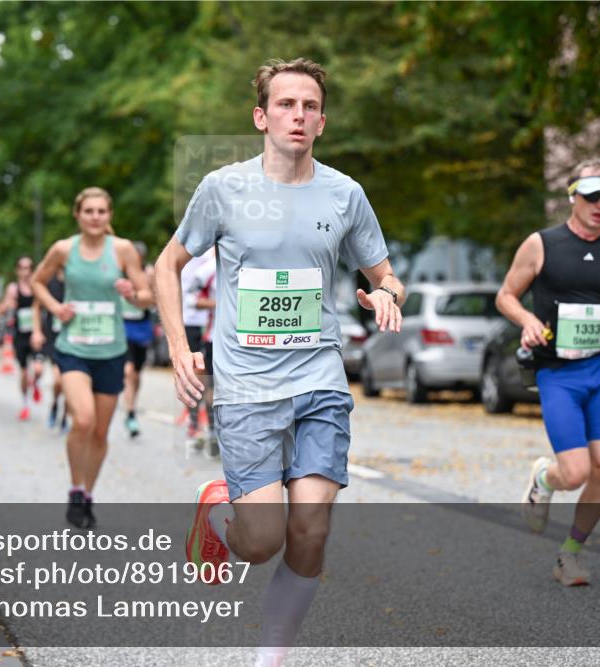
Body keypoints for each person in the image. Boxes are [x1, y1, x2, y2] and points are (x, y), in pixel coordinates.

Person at [155, 57, 403, 666]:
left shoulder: (346, 195)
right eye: (286, 105)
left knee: (311, 532)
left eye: (310, 106)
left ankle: (271, 659)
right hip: (245, 385)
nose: (299, 115)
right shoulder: (223, 189)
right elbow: (167, 266)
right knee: (262, 542)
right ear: (262, 117)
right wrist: (178, 348)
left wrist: (389, 295)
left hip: (320, 377)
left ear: (322, 121)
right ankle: (218, 517)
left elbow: (385, 272)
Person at [497, 157, 600, 587]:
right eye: (591, 195)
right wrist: (526, 321)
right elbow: (506, 295)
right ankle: (545, 477)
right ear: (573, 197)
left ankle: (570, 555)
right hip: (557, 373)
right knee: (577, 471)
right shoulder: (542, 244)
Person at [32, 187, 153, 529]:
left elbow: (146, 296)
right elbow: (37, 283)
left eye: (101, 211)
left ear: (109, 215)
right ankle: (73, 489)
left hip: (111, 351)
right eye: (89, 211)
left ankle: (87, 493)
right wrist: (55, 307)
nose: (95, 217)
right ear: (78, 214)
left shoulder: (123, 250)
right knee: (82, 420)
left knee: (99, 433)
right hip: (73, 347)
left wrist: (134, 294)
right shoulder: (63, 249)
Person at [180, 247, 216, 450]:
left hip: (214, 328)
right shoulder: (187, 243)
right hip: (192, 322)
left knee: (212, 383)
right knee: (197, 377)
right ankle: (194, 424)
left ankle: (212, 430)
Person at [121, 241, 156, 438]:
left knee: (136, 374)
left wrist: (151, 282)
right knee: (128, 372)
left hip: (141, 328)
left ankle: (131, 404)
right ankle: (130, 412)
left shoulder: (147, 273)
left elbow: (155, 298)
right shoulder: (120, 271)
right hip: (123, 326)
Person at [0, 257, 41, 421]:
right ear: (17, 270)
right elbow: (2, 308)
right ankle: (25, 403)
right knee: (24, 372)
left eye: (28, 268)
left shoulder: (37, 286)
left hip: (36, 333)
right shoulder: (13, 288)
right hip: (20, 335)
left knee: (38, 369)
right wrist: (9, 305)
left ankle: (35, 383)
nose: (25, 271)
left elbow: (44, 305)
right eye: (22, 267)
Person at [34, 269, 68, 431]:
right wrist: (37, 331)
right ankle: (55, 404)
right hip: (54, 340)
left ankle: (65, 419)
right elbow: (37, 306)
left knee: (71, 385)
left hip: (75, 340)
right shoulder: (50, 284)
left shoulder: (79, 282)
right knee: (59, 381)